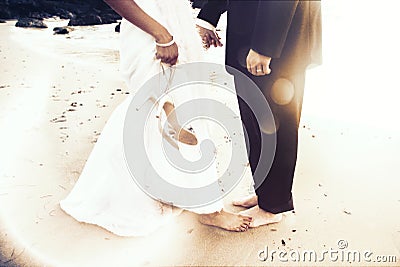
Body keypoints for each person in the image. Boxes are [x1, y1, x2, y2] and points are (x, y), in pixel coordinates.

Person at [60, 0, 252, 236]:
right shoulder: (159, 32)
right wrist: (161, 34)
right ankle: (208, 209)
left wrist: (197, 23)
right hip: (154, 31)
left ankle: (160, 189)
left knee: (167, 110)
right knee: (160, 109)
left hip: (173, 25)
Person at [197, 0, 322, 227]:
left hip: (277, 42)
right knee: (255, 121)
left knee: (275, 122)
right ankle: (267, 194)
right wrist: (209, 16)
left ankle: (273, 206)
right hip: (254, 33)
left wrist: (265, 46)